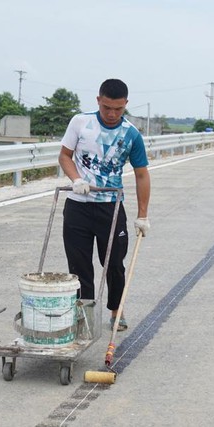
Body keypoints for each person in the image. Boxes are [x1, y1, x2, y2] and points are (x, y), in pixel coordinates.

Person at [58, 78, 151, 332]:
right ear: (98, 100)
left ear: (126, 105)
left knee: (113, 264)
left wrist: (142, 215)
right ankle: (84, 314)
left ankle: (115, 311)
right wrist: (76, 179)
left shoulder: (131, 134)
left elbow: (142, 174)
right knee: (79, 265)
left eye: (118, 109)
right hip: (78, 204)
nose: (111, 114)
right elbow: (64, 156)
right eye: (107, 107)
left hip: (110, 207)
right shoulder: (80, 122)